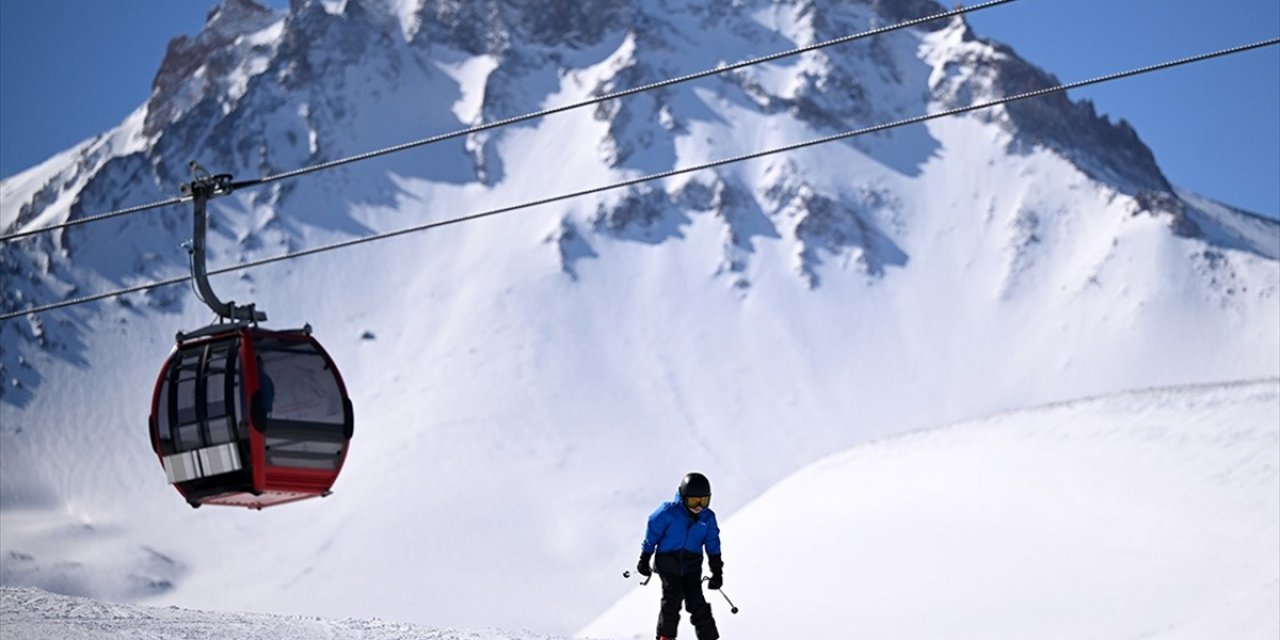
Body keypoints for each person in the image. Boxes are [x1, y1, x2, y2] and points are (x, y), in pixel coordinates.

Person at [637, 472, 723, 640]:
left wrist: (717, 572)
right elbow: (652, 533)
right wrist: (644, 558)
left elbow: (713, 544)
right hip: (668, 561)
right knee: (672, 597)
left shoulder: (708, 517)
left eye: (703, 501)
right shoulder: (668, 512)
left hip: (692, 564)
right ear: (683, 497)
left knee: (697, 602)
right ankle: (665, 637)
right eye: (693, 501)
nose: (698, 506)